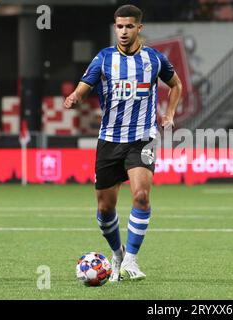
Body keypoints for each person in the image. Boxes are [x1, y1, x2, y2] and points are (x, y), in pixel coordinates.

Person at [64, 4, 182, 282]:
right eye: (119, 26)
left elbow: (175, 84)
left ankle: (131, 260)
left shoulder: (154, 59)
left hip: (142, 138)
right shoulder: (104, 58)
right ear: (115, 27)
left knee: (141, 195)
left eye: (129, 26)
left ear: (139, 28)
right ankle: (117, 254)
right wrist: (75, 97)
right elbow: (85, 86)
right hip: (109, 140)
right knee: (105, 209)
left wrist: (169, 114)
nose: (124, 31)